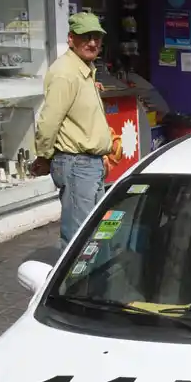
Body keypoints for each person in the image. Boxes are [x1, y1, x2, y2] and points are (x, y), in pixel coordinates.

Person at [32, 13, 121, 245]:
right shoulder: (66, 72)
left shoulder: (83, 69)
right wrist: (43, 156)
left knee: (95, 235)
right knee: (79, 238)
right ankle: (72, 282)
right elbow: (49, 121)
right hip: (76, 163)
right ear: (71, 39)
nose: (93, 43)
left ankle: (93, 280)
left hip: (89, 163)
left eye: (97, 38)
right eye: (86, 37)